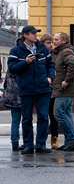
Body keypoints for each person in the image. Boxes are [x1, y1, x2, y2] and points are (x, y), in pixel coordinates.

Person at [7, 25, 55, 154]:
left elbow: (51, 64)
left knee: (43, 117)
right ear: (25, 35)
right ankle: (28, 145)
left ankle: (41, 144)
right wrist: (25, 62)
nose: (35, 35)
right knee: (27, 118)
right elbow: (12, 68)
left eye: (36, 33)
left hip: (43, 88)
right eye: (33, 33)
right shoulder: (16, 51)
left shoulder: (42, 49)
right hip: (26, 88)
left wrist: (50, 77)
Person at [50, 31, 74, 151]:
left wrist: (66, 81)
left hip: (65, 89)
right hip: (65, 88)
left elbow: (73, 65)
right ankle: (70, 142)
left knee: (58, 113)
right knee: (67, 114)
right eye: (53, 39)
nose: (54, 42)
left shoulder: (66, 51)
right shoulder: (61, 52)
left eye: (56, 39)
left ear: (63, 41)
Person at [39, 33, 59, 148]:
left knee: (53, 115)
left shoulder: (55, 55)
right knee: (43, 116)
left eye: (52, 42)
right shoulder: (40, 54)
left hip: (54, 88)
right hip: (43, 88)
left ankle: (54, 139)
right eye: (48, 43)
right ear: (42, 43)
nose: (51, 45)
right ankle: (41, 140)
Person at [2, 57, 22, 152]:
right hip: (24, 96)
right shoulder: (23, 67)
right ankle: (27, 142)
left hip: (12, 98)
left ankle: (14, 142)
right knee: (26, 120)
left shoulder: (10, 68)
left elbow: (6, 83)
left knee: (15, 121)